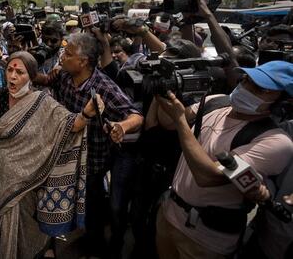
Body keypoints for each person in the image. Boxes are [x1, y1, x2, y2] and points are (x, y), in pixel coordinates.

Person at [0, 51, 104, 259]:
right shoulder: (0, 95)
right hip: (1, 179)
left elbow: (71, 125)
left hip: (30, 180)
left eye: (20, 72)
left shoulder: (43, 102)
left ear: (32, 76)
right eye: (9, 70)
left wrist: (87, 113)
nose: (13, 76)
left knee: (27, 224)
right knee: (1, 218)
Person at [154, 60, 293, 259]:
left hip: (206, 239)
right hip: (170, 214)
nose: (246, 88)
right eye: (246, 80)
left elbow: (207, 176)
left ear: (281, 102)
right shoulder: (215, 101)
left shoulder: (276, 142)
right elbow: (168, 121)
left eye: (260, 89)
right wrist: (161, 92)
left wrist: (180, 121)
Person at [37, 32, 144, 258]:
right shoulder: (64, 76)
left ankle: (95, 247)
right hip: (66, 156)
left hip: (92, 162)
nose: (62, 57)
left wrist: (121, 127)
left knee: (93, 208)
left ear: (83, 61)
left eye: (68, 53)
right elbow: (46, 81)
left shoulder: (103, 86)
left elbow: (136, 116)